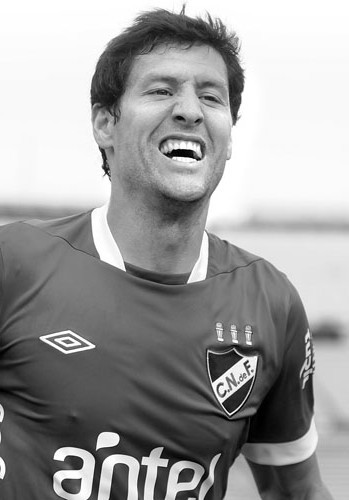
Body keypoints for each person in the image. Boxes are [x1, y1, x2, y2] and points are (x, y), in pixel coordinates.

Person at [0, 7, 333, 500]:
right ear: (104, 124)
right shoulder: (17, 263)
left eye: (211, 96)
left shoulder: (270, 302)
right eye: (161, 90)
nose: (190, 110)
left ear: (228, 136)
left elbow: (297, 491)